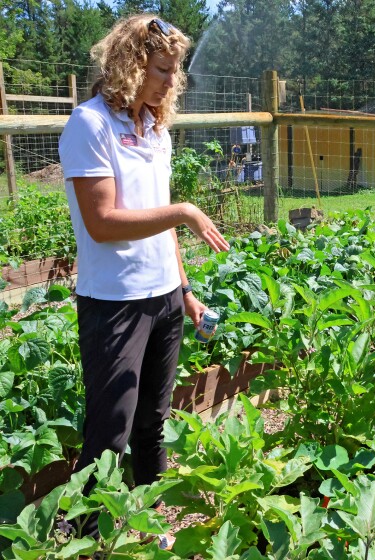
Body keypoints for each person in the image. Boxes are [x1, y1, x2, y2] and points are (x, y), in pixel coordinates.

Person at [58, 14, 230, 543]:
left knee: (153, 424)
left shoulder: (155, 130)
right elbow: (102, 222)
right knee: (110, 432)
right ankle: (86, 536)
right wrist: (183, 211)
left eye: (175, 71)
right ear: (130, 65)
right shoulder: (89, 125)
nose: (170, 81)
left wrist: (185, 290)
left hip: (164, 300)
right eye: (161, 69)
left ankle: (149, 526)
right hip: (115, 302)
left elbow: (160, 223)